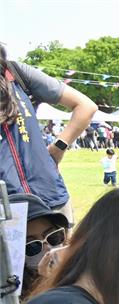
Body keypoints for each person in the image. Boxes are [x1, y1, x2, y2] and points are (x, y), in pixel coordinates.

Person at [1, 45, 97, 224]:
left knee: (58, 242)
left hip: (51, 199)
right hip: (7, 213)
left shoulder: (15, 73)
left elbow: (86, 106)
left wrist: (58, 147)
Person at [7, 192, 69, 299]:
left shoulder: (81, 266)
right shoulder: (8, 292)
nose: (47, 248)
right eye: (32, 245)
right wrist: (48, 283)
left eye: (53, 236)